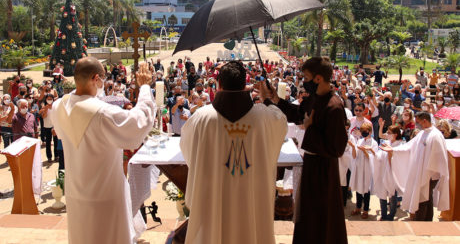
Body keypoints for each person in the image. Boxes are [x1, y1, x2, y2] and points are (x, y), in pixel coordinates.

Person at [49, 57, 156, 244]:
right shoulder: (101, 113)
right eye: (103, 78)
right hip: (105, 195)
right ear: (95, 79)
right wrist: (145, 87)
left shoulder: (58, 106)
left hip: (76, 194)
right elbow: (139, 124)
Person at [180, 61, 287, 244]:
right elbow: (281, 121)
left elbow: (189, 151)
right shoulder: (266, 117)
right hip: (251, 196)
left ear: (218, 84)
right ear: (245, 85)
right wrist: (268, 99)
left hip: (213, 197)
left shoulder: (201, 118)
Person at [261, 56, 348, 244]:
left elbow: (337, 148)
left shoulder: (334, 107)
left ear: (318, 78)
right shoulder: (314, 98)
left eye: (306, 77)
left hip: (324, 170)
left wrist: (311, 128)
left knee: (322, 215)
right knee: (308, 213)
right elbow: (299, 114)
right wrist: (275, 100)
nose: (303, 81)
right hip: (311, 164)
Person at [380, 112, 449, 221]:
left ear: (425, 121)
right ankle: (425, 221)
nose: (417, 125)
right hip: (421, 172)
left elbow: (439, 156)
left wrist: (430, 173)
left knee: (423, 198)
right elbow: (409, 146)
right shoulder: (422, 133)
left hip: (430, 174)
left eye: (418, 122)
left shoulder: (435, 135)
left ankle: (421, 222)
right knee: (425, 198)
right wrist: (393, 150)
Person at [349, 122, 378, 219]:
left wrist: (365, 151)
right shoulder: (359, 141)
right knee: (358, 188)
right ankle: (358, 207)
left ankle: (365, 210)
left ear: (369, 131)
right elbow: (354, 156)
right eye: (362, 131)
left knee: (366, 189)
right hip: (359, 167)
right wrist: (353, 147)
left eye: (365, 131)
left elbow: (373, 157)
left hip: (367, 169)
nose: (363, 133)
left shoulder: (374, 143)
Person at [374, 123, 403, 221]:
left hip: (393, 173)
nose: (387, 134)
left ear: (395, 134)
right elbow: (379, 155)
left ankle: (391, 215)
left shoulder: (400, 145)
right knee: (382, 193)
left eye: (389, 133)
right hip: (383, 171)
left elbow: (398, 160)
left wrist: (390, 153)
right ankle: (383, 214)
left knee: (392, 195)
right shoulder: (387, 142)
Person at [39, 94, 57, 162]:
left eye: (50, 99)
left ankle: (56, 156)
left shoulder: (55, 107)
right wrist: (45, 109)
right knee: (48, 142)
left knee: (56, 142)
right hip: (47, 126)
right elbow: (43, 116)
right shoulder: (44, 107)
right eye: (48, 99)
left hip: (55, 126)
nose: (49, 100)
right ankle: (49, 157)